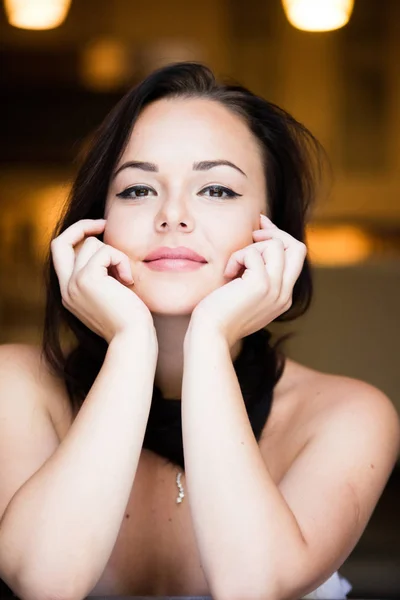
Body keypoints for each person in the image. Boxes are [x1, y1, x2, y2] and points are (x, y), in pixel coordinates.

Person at [0, 61, 398, 600]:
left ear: (272, 229)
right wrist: (131, 345)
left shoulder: (345, 416)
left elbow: (253, 587)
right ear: (96, 223)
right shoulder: (16, 386)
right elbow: (46, 581)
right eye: (137, 190)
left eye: (216, 190)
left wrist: (208, 339)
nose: (173, 215)